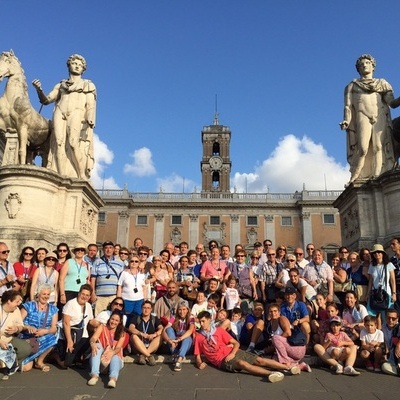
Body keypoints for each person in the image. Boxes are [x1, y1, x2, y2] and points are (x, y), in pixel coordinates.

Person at [32, 54, 96, 178]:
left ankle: (81, 174)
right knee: (58, 143)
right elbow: (46, 100)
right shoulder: (61, 85)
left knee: (73, 142)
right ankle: (61, 176)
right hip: (60, 112)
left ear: (83, 69)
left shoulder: (88, 85)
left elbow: (90, 104)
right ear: (69, 65)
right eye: (74, 63)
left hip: (76, 112)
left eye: (80, 65)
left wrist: (90, 117)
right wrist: (39, 90)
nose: (77, 66)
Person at [340, 54, 400, 184]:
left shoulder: (382, 84)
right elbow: (348, 106)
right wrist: (346, 120)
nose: (364, 65)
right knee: (363, 148)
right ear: (358, 69)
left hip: (379, 116)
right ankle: (356, 176)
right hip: (362, 115)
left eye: (367, 63)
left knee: (379, 146)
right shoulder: (352, 86)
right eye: (361, 64)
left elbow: (392, 103)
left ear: (373, 66)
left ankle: (378, 175)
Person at [194, 310, 296, 383]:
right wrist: (199, 364)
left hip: (232, 352)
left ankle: (288, 367)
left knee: (259, 360)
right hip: (222, 360)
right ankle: (270, 374)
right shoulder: (199, 337)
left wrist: (233, 353)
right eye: (200, 322)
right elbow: (197, 355)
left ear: (209, 320)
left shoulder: (219, 331)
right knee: (242, 364)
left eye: (203, 321)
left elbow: (236, 343)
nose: (201, 324)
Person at [19, 284, 58, 372]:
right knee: (26, 368)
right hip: (26, 337)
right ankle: (27, 357)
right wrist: (27, 327)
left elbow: (54, 328)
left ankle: (39, 361)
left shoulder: (53, 309)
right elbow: (18, 323)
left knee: (53, 338)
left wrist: (45, 331)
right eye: (44, 294)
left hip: (41, 337)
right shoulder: (28, 306)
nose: (46, 296)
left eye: (48, 294)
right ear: (38, 294)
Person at [55, 284, 94, 368]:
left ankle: (77, 357)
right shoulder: (70, 304)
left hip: (82, 334)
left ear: (89, 297)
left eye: (87, 295)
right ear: (79, 293)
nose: (84, 297)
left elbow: (90, 321)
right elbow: (66, 323)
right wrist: (69, 341)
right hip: (68, 333)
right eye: (83, 294)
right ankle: (56, 356)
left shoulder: (89, 306)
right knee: (66, 364)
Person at [87, 310, 126, 388]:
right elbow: (93, 338)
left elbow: (118, 348)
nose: (113, 322)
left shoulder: (122, 333)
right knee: (97, 346)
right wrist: (92, 343)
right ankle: (94, 375)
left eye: (116, 320)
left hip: (113, 358)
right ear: (109, 319)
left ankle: (113, 379)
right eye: (112, 319)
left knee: (115, 356)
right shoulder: (102, 327)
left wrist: (112, 353)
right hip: (101, 359)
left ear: (119, 322)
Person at [0, 290, 31, 380]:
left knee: (26, 348)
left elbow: (21, 326)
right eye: (17, 301)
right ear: (9, 301)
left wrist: (16, 329)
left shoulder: (16, 310)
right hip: (1, 340)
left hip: (9, 339)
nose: (19, 304)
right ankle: (3, 367)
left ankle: (9, 365)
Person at [91, 241, 124, 316]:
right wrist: (93, 293)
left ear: (113, 249)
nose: (108, 250)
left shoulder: (120, 263)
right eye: (106, 248)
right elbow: (93, 279)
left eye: (110, 248)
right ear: (103, 250)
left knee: (114, 317)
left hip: (114, 296)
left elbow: (122, 281)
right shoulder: (97, 262)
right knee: (99, 317)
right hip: (100, 296)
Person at [367, 244, 396, 325]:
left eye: (379, 252)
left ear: (383, 253)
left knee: (386, 316)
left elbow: (392, 280)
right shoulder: (372, 266)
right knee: (372, 315)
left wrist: (394, 293)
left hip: (387, 293)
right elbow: (370, 281)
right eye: (375, 253)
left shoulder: (389, 265)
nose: (377, 254)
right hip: (375, 293)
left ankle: (389, 335)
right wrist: (368, 293)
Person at [163, 300, 195, 371]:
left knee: (187, 337)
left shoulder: (191, 318)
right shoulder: (174, 317)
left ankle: (179, 360)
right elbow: (165, 329)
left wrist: (179, 339)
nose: (182, 311)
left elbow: (190, 330)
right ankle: (174, 353)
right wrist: (170, 341)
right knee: (168, 329)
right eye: (180, 309)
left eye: (184, 309)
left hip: (185, 344)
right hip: (175, 344)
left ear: (187, 310)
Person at [128, 300, 163, 366]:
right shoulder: (136, 318)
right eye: (144, 308)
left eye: (148, 308)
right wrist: (141, 333)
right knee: (133, 336)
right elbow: (131, 328)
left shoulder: (154, 319)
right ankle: (149, 356)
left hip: (151, 345)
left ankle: (143, 355)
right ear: (141, 308)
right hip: (139, 345)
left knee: (161, 337)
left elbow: (161, 328)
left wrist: (154, 334)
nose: (146, 310)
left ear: (151, 309)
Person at [381, 308, 400, 375]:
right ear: (385, 318)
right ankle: (398, 371)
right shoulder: (382, 327)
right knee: (384, 367)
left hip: (398, 355)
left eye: (393, 318)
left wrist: (398, 345)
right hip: (390, 358)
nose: (390, 320)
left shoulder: (399, 327)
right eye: (388, 318)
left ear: (397, 319)